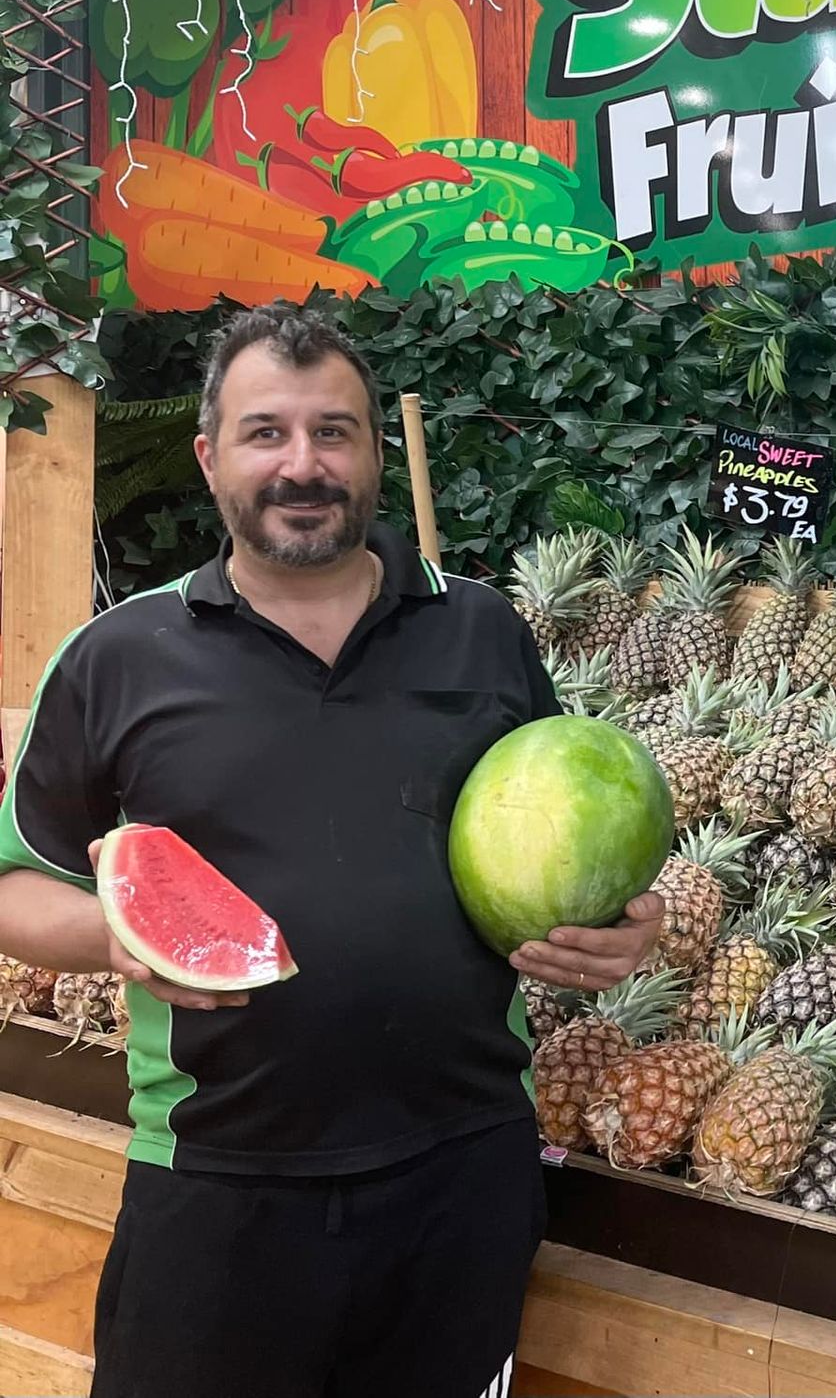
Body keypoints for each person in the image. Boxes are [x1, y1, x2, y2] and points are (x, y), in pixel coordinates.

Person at [0, 305, 663, 1398]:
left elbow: (569, 829)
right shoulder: (116, 657)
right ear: (210, 458)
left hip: (462, 1173)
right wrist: (118, 934)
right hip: (218, 1178)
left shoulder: (482, 630)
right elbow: (15, 888)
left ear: (375, 454)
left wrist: (624, 927)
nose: (302, 465)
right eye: (265, 432)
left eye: (333, 432)